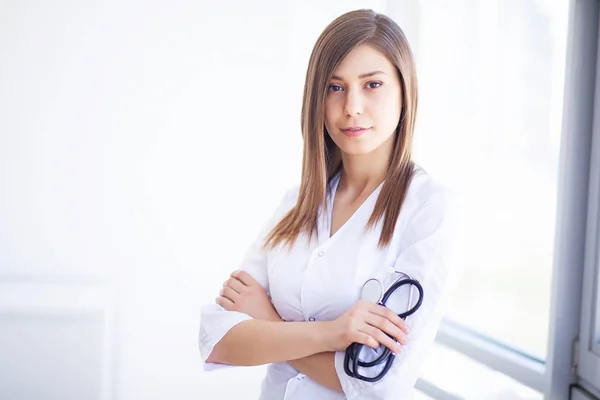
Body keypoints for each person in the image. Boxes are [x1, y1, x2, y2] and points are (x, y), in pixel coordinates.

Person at [199, 8, 462, 400]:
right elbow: (219, 341)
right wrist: (332, 334)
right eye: (335, 87)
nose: (352, 106)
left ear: (405, 93)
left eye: (372, 85)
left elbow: (377, 383)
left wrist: (269, 323)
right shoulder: (296, 204)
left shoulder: (429, 209)